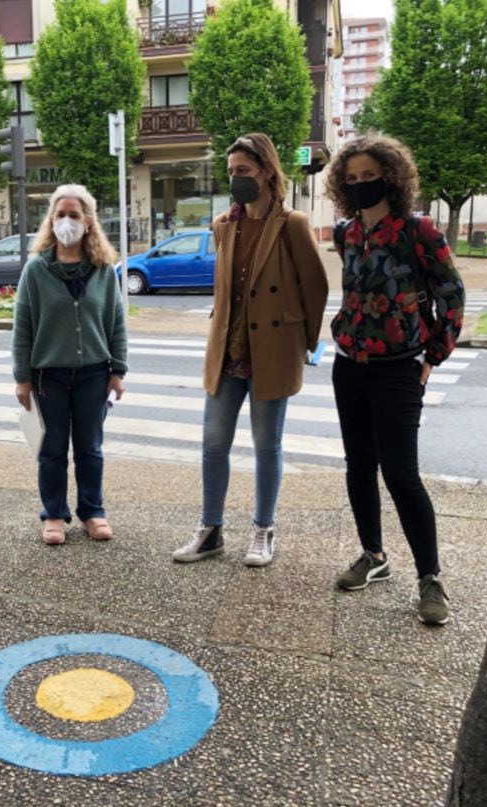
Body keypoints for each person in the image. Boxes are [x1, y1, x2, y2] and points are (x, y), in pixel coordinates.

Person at [324, 133, 466, 626]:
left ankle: (430, 577)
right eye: (353, 179)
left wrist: (433, 357)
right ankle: (373, 556)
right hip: (350, 366)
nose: (362, 185)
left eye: (371, 176)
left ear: (392, 177)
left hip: (399, 368)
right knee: (358, 465)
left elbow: (451, 291)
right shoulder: (346, 233)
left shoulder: (417, 229)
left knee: (401, 473)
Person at [173, 133, 328, 567]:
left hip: (273, 349)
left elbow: (315, 288)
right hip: (228, 349)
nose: (236, 178)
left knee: (266, 444)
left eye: (244, 170)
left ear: (266, 170)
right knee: (213, 443)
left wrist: (304, 344)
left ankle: (263, 529)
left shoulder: (292, 223)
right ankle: (211, 530)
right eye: (231, 172)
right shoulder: (224, 225)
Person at [11, 184, 128, 545]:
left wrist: (118, 370)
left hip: (94, 373)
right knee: (52, 450)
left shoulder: (104, 270)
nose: (66, 222)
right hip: (50, 377)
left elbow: (116, 322)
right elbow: (23, 326)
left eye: (74, 215)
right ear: (50, 220)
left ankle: (92, 511)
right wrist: (22, 378)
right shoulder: (36, 270)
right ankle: (55, 514)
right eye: (59, 215)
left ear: (89, 222)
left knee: (90, 449)